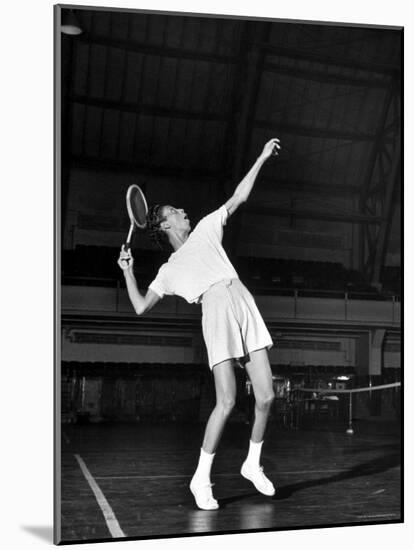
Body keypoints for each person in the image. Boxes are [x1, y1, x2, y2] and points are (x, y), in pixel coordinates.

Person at [118, 138, 281, 510]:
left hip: (241, 298)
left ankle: (252, 464)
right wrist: (128, 273)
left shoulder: (208, 228)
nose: (183, 211)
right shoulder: (169, 270)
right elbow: (142, 306)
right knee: (226, 400)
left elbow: (238, 197)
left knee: (268, 396)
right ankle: (200, 478)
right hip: (216, 308)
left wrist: (260, 158)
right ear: (164, 223)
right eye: (176, 210)